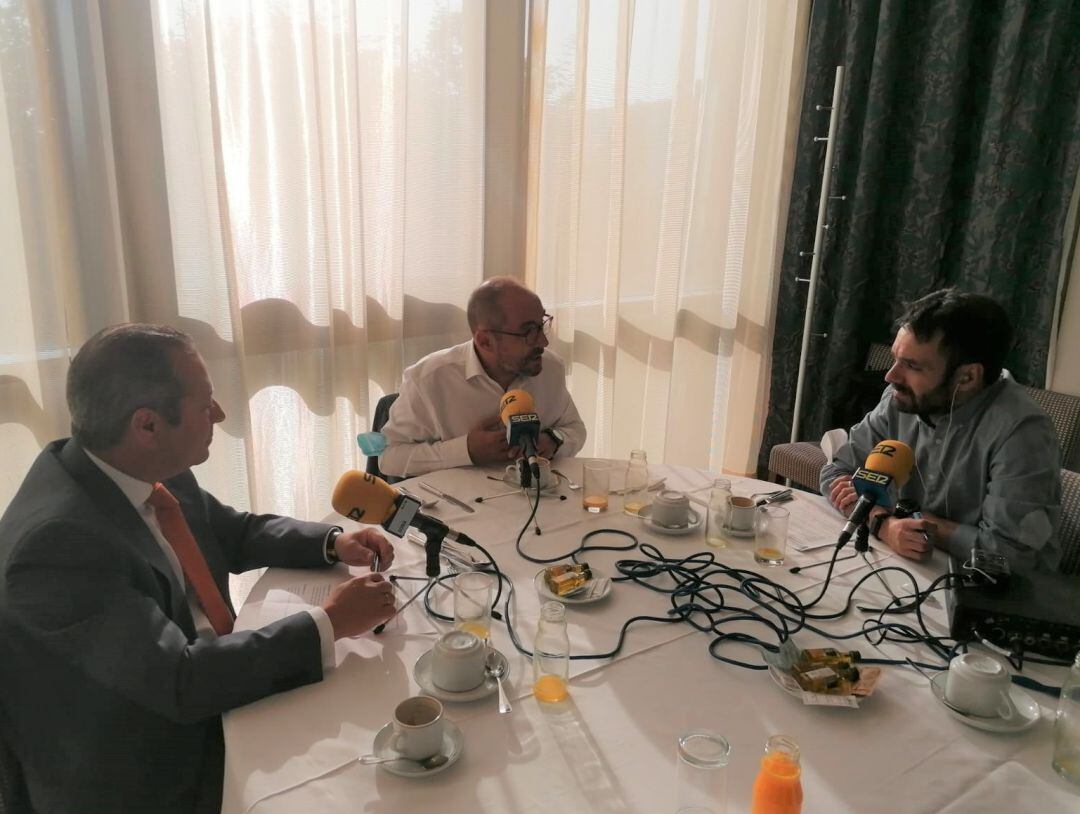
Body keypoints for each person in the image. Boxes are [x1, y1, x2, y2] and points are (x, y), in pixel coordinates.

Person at [0, 324, 397, 814]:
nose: (220, 414)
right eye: (205, 403)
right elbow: (179, 681)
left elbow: (233, 533)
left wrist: (333, 542)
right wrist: (332, 623)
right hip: (145, 768)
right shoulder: (59, 546)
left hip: (198, 688)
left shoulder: (133, 462)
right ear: (146, 425)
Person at [820, 289, 1062, 572]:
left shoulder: (1022, 432)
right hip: (908, 566)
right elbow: (836, 473)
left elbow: (1009, 553)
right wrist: (883, 523)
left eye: (911, 365)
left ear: (968, 377)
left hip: (998, 593)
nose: (891, 376)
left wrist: (907, 520)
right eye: (896, 357)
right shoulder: (900, 399)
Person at [380, 277, 586, 477]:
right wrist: (465, 451)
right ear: (485, 341)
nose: (543, 342)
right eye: (528, 332)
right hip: (457, 507)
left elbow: (575, 429)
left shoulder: (551, 368)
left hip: (538, 500)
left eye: (542, 324)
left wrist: (554, 440)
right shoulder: (428, 380)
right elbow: (388, 457)